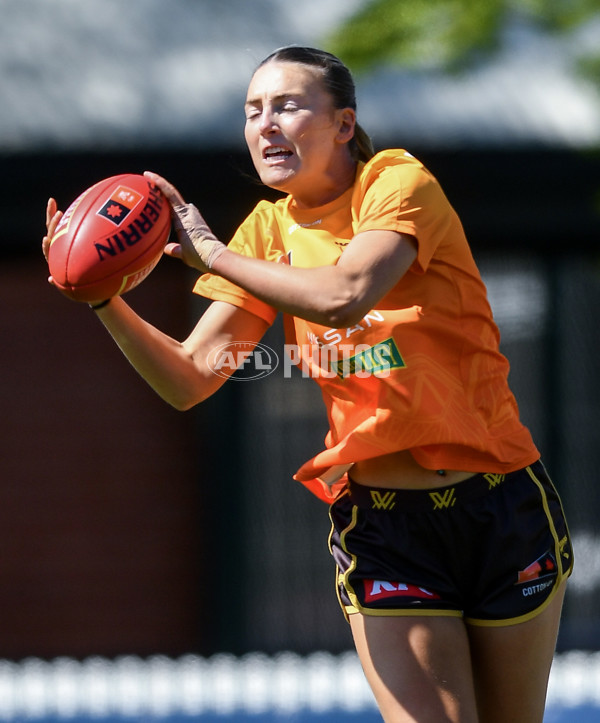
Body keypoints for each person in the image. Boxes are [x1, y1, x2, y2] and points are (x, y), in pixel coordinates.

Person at [43, 46, 573, 723]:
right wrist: (102, 298)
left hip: (500, 504)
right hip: (385, 525)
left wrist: (214, 254)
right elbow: (190, 378)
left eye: (287, 105)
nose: (265, 124)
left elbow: (345, 293)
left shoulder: (396, 179)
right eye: (252, 111)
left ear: (344, 123)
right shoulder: (264, 232)